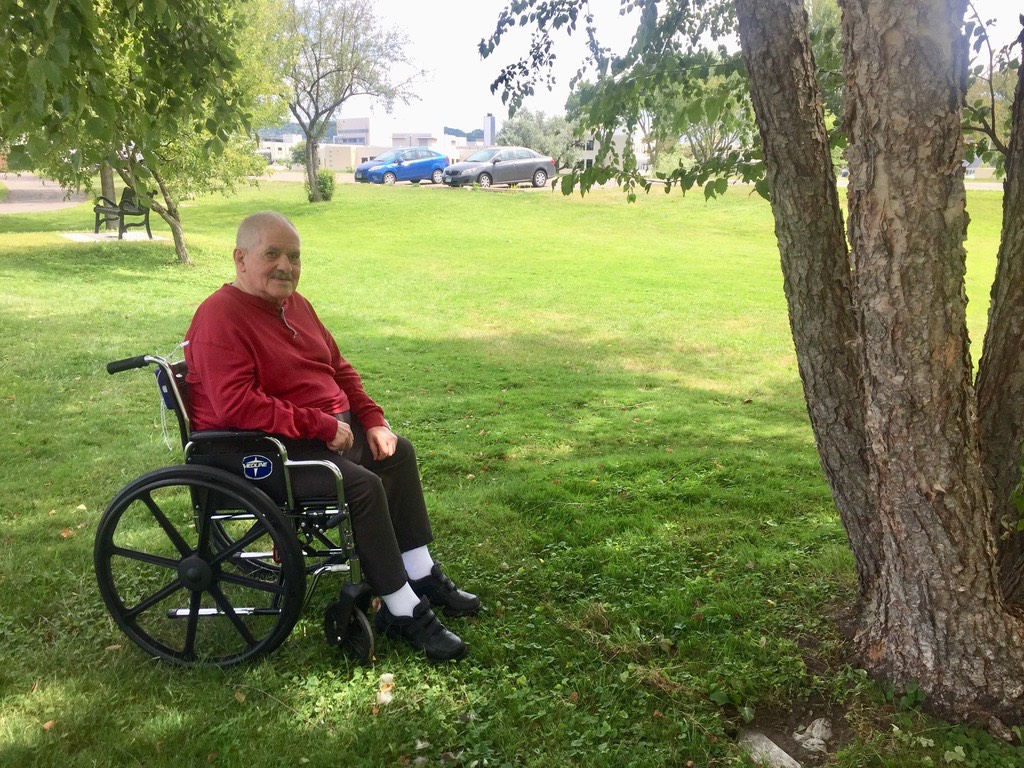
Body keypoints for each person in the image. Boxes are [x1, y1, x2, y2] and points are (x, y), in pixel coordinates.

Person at [183, 210, 479, 661]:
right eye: (272, 254)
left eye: (294, 256)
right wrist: (321, 425)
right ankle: (400, 608)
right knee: (360, 484)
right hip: (253, 450)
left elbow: (339, 369)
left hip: (317, 432)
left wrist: (374, 420)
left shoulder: (296, 306)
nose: (286, 265)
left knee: (397, 453)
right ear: (240, 258)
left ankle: (419, 572)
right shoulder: (220, 317)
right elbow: (237, 405)